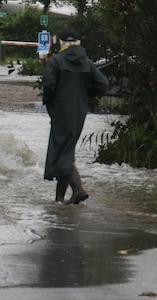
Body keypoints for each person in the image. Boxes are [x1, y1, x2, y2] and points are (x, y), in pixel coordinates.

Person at [42, 28, 110, 204]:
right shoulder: (86, 63)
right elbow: (103, 84)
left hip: (60, 112)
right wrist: (85, 95)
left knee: (61, 153)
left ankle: (77, 190)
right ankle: (59, 199)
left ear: (62, 43)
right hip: (79, 112)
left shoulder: (56, 61)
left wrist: (51, 104)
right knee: (66, 152)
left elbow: (49, 86)